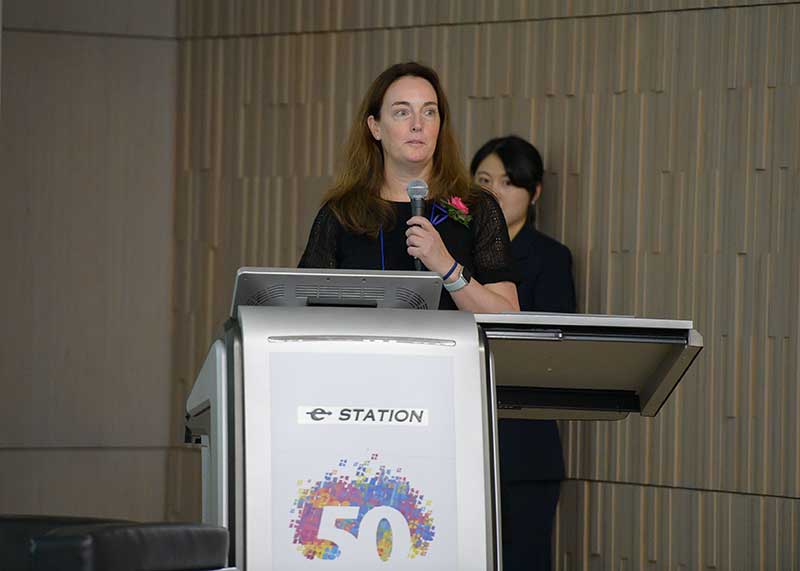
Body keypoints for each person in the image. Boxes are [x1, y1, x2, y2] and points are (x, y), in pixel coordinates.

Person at [299, 62, 519, 313]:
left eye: (429, 112)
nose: (417, 124)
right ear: (375, 127)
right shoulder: (342, 213)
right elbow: (305, 309)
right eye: (402, 112)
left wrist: (447, 267)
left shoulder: (478, 207)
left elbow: (508, 316)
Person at [471, 135, 577, 570]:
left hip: (524, 446)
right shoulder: (454, 255)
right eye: (483, 181)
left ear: (534, 193)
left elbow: (551, 345)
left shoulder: (550, 257)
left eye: (507, 182)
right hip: (464, 437)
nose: (494, 192)